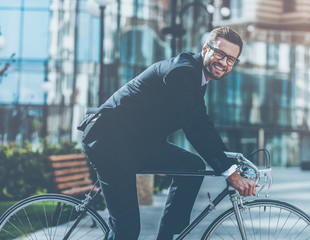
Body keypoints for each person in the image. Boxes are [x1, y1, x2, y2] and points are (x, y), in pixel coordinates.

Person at [79, 27, 256, 240]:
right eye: (220, 53)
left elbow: (201, 122)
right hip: (110, 142)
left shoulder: (196, 78)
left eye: (231, 59)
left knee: (192, 167)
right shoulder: (182, 72)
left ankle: (167, 236)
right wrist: (231, 173)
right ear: (205, 49)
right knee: (126, 230)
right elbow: (195, 125)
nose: (224, 62)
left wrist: (230, 161)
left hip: (138, 143)